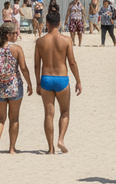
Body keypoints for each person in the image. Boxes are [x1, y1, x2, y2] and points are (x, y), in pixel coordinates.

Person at [34, 12, 82, 154]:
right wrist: (78, 81)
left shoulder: (40, 41)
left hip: (46, 79)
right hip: (62, 79)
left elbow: (36, 65)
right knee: (65, 112)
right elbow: (72, 63)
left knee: (49, 115)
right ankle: (60, 139)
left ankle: (50, 148)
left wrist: (37, 83)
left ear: (47, 24)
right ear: (60, 24)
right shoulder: (66, 40)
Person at [0, 23, 33, 155]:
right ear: (8, 35)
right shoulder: (17, 49)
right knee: (14, 118)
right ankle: (12, 148)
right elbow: (23, 68)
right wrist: (29, 83)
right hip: (14, 87)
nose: (17, 35)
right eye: (15, 33)